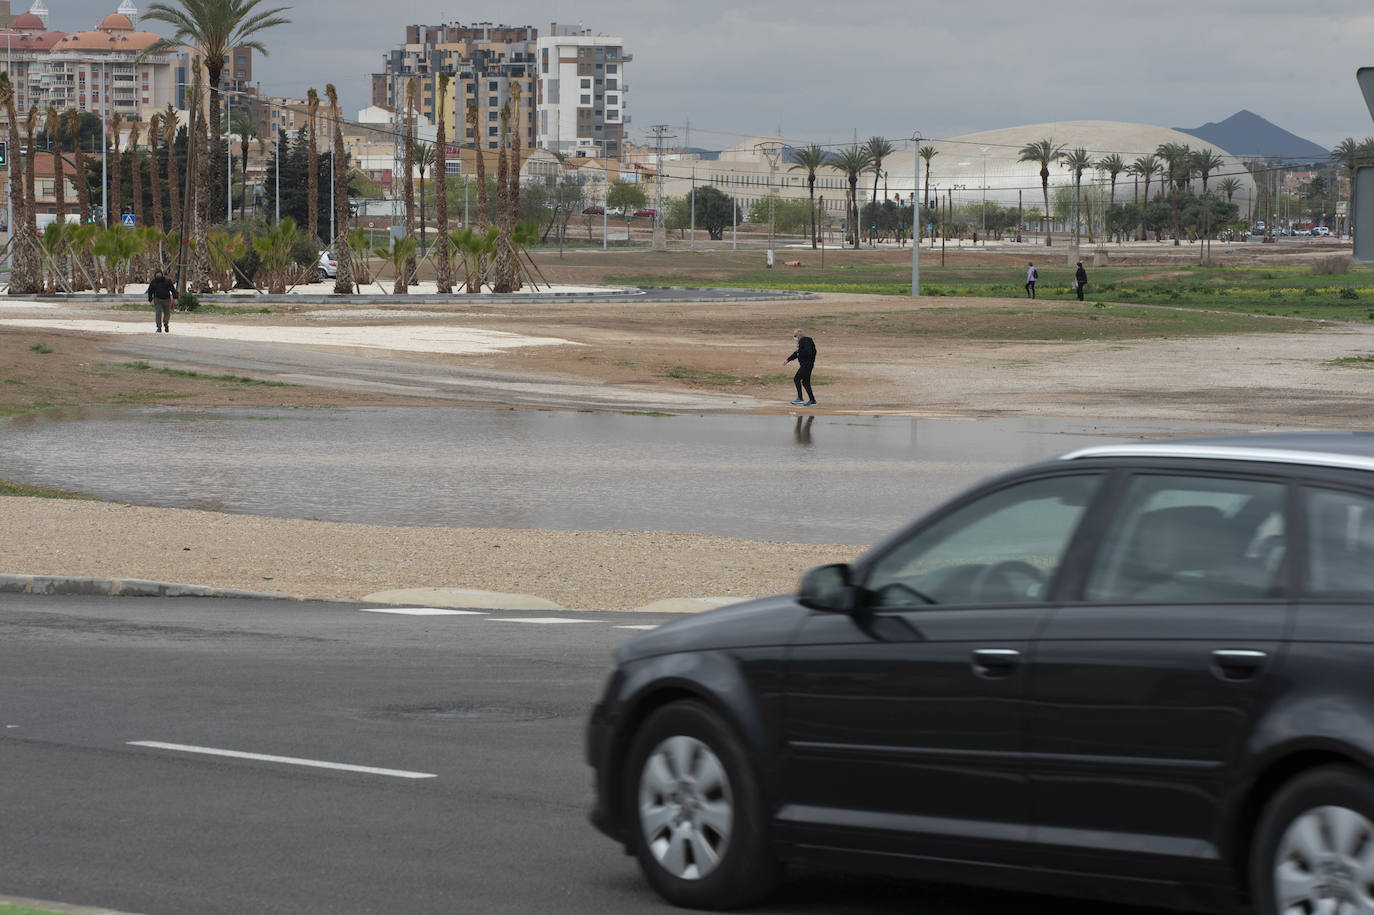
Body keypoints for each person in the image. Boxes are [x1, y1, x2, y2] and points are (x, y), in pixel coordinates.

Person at [785, 328, 817, 406]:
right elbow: (797, 353)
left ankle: (800, 398)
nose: (794, 337)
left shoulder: (805, 341)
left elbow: (808, 352)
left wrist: (799, 351)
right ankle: (812, 400)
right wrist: (788, 359)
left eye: (795, 335)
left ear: (799, 335)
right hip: (807, 364)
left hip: (807, 364)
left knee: (796, 379)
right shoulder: (803, 342)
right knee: (805, 382)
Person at [147, 269, 178, 333]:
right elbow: (150, 292)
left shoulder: (167, 281)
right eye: (157, 275)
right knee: (158, 313)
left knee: (167, 313)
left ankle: (166, 324)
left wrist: (175, 298)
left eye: (159, 275)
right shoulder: (153, 282)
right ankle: (159, 327)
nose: (158, 276)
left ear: (162, 274)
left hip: (167, 299)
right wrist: (150, 300)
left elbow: (173, 290)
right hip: (157, 299)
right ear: (155, 275)